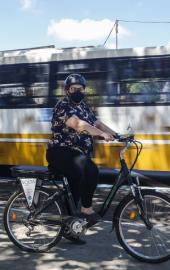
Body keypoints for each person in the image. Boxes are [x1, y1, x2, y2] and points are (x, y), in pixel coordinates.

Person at [46, 74, 117, 242]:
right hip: (60, 152)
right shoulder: (62, 105)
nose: (77, 92)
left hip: (76, 154)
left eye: (80, 89)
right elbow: (78, 125)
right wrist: (102, 135)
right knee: (91, 170)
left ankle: (70, 229)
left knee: (75, 190)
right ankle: (86, 210)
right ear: (67, 91)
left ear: (84, 90)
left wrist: (116, 134)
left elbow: (96, 123)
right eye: (73, 89)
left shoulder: (84, 106)